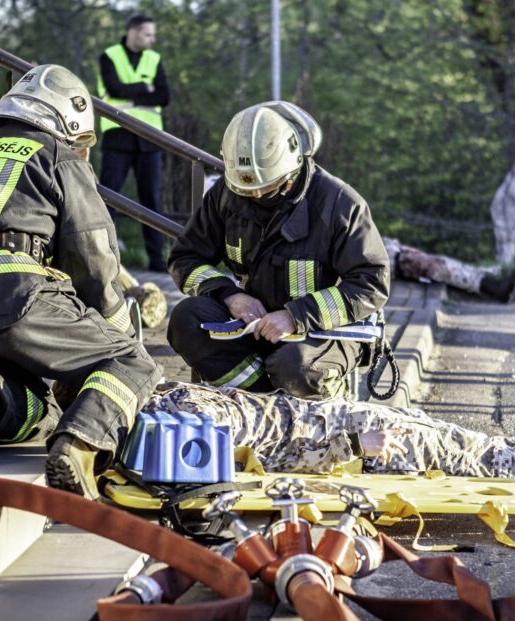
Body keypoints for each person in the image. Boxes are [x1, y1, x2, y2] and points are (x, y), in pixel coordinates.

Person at [0, 64, 159, 499]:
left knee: (38, 404)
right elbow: (93, 253)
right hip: (12, 295)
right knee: (132, 364)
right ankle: (79, 445)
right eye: (79, 140)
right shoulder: (55, 153)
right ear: (67, 119)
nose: (79, 150)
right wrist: (118, 333)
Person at [167, 101, 390, 399]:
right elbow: (186, 257)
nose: (256, 196)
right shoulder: (225, 194)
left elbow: (372, 283)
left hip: (319, 334)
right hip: (251, 327)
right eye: (246, 190)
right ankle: (260, 399)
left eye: (267, 188)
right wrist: (229, 295)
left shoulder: (338, 204)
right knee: (185, 321)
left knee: (294, 367)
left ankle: (310, 401)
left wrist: (295, 315)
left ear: (292, 167)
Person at [144, 382, 515, 480]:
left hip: (334, 413)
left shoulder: (166, 395)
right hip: (354, 442)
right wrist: (351, 446)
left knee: (448, 432)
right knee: (454, 452)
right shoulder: (190, 426)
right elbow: (271, 463)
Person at [97, 12, 171, 272]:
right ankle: (99, 256)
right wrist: (144, 87)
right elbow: (114, 89)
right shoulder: (109, 56)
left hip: (149, 139)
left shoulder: (155, 59)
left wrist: (134, 90)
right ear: (134, 32)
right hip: (117, 136)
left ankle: (157, 261)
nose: (152, 39)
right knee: (108, 198)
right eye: (148, 34)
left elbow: (164, 96)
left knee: (151, 200)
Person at [384, 237, 515, 303]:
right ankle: (494, 287)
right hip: (390, 260)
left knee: (442, 262)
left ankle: (491, 280)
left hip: (392, 255)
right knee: (438, 266)